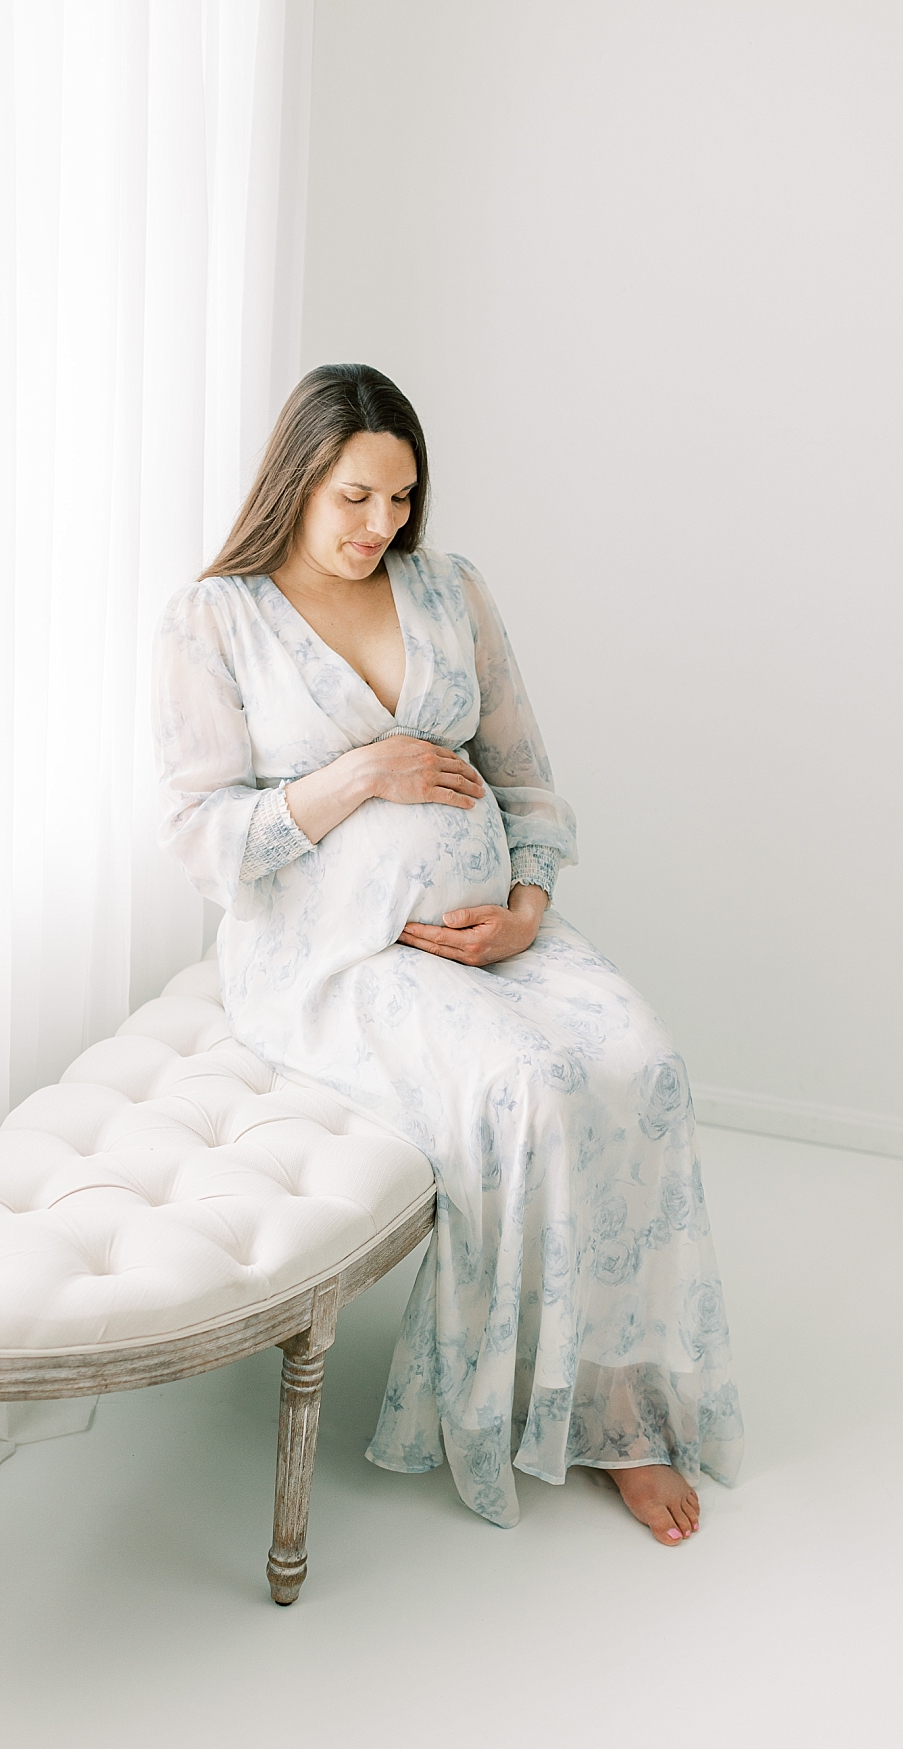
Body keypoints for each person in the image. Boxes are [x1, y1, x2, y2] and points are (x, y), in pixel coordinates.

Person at [153, 364, 743, 1545]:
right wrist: (361, 772)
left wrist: (524, 909)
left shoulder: (451, 590)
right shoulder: (215, 617)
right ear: (297, 484)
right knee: (535, 1087)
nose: (383, 527)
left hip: (495, 935)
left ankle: (625, 1407)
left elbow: (525, 774)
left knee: (648, 1062)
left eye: (403, 499)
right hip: (335, 960)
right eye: (355, 499)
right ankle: (543, 1411)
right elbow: (202, 836)